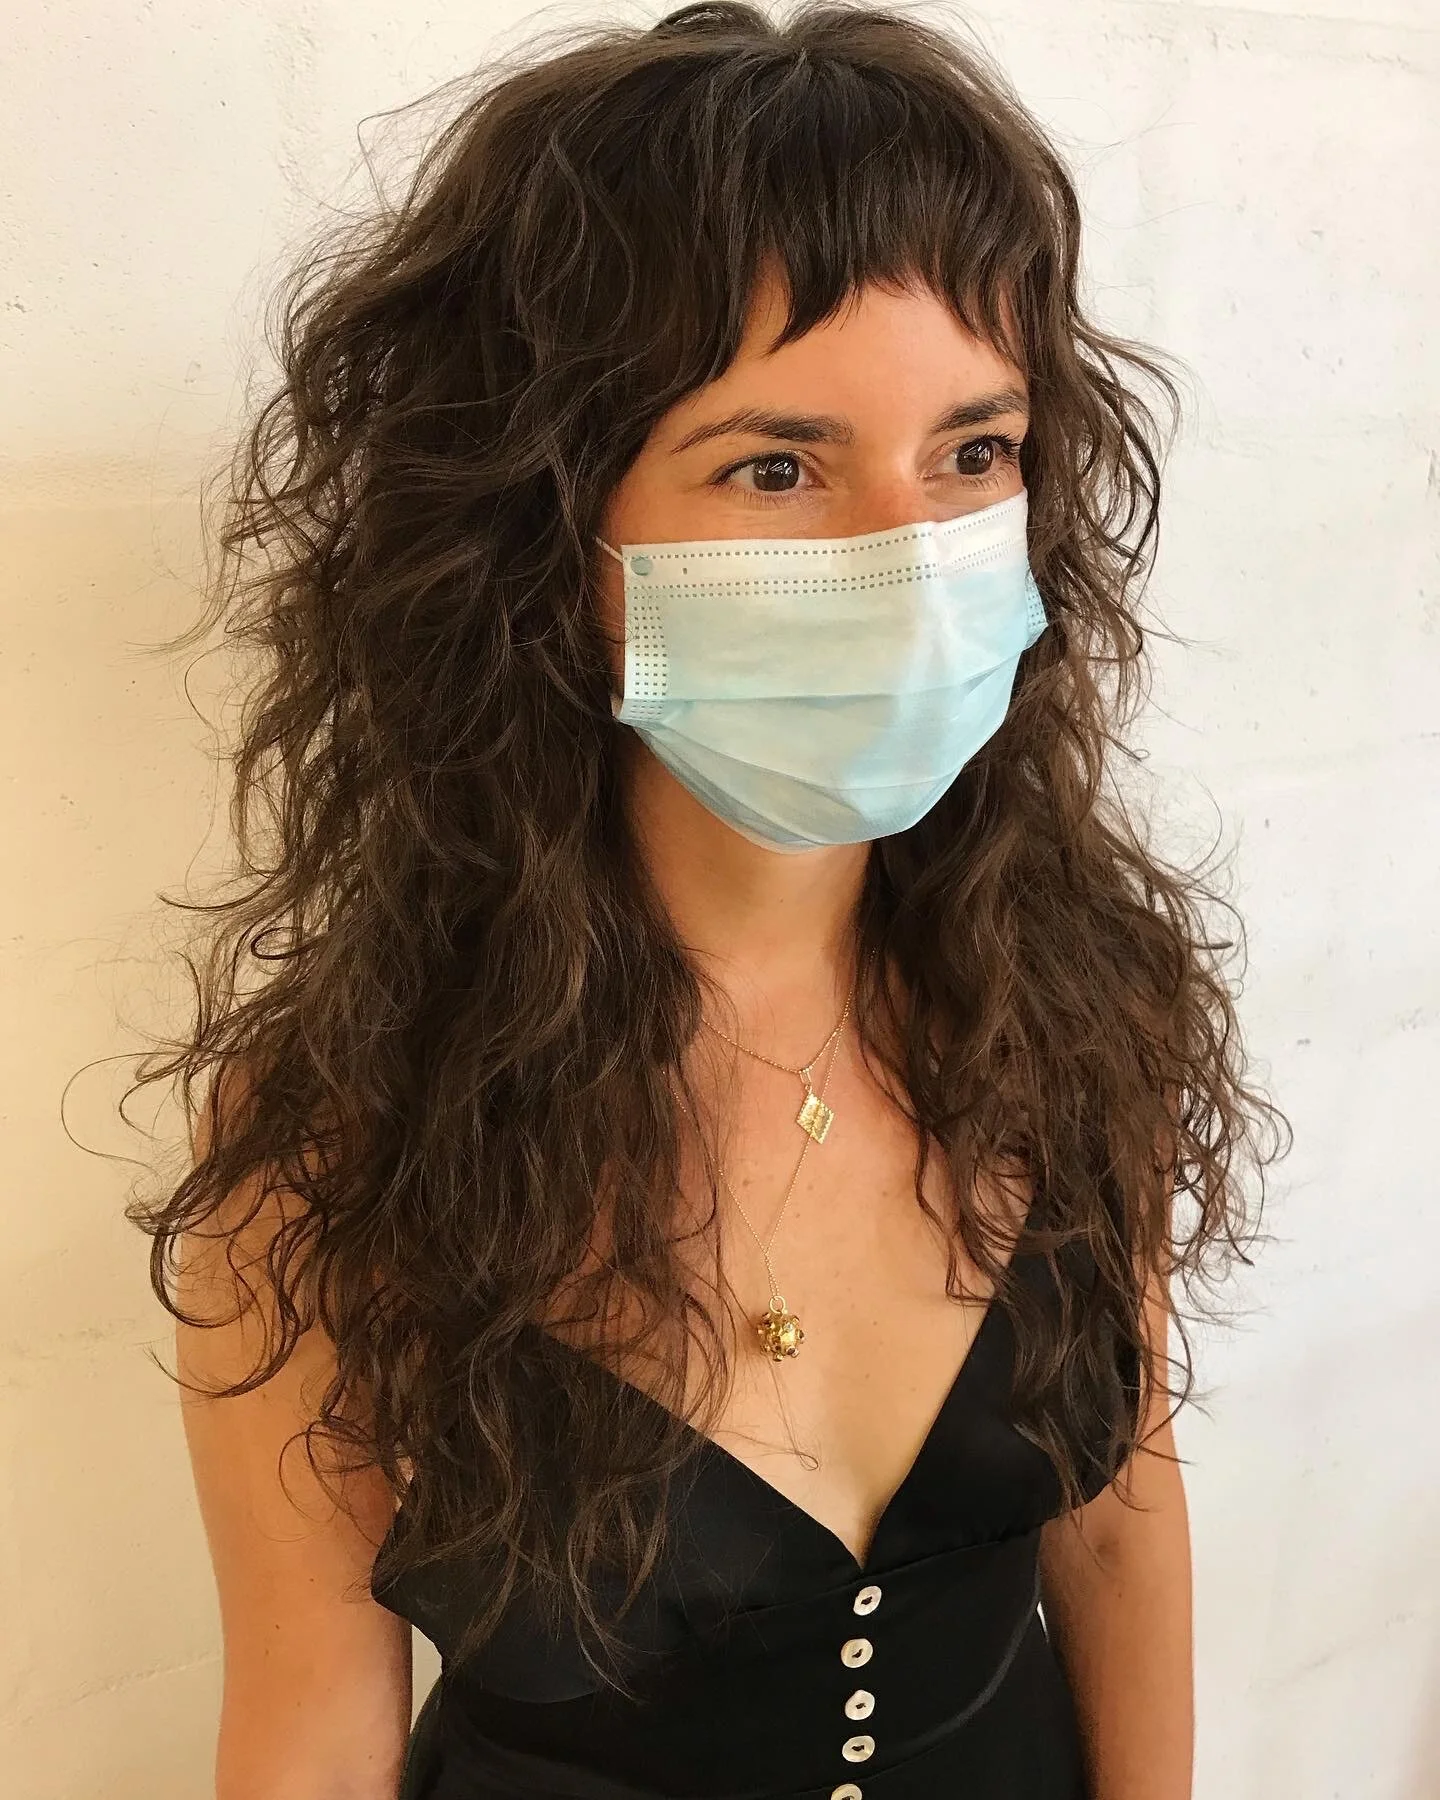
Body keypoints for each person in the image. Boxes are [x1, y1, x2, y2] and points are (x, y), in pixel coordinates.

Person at [134, 5, 1287, 1797]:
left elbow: (1122, 1528)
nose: (908, 557)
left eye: (974, 451)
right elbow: (307, 1723)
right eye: (777, 466)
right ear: (538, 530)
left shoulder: (1079, 1007)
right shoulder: (336, 1137)